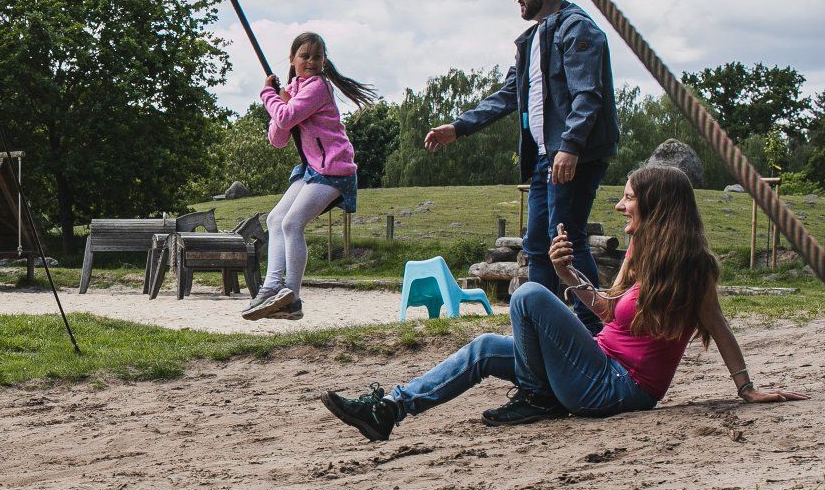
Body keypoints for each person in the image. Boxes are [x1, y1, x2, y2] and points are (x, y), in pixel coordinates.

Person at [318, 165, 805, 441]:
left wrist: (747, 389)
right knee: (487, 345)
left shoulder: (694, 268)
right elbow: (611, 310)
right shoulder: (642, 251)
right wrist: (570, 274)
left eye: (630, 198)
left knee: (529, 292)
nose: (620, 206)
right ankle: (388, 411)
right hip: (598, 361)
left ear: (655, 205)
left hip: (619, 388)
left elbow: (719, 329)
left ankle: (536, 397)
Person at [423, 0, 617, 329]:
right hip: (547, 157)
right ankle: (538, 326)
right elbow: (509, 94)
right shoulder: (532, 40)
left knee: (567, 239)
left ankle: (595, 326)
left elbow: (587, 95)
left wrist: (571, 146)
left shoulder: (579, 31)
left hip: (574, 155)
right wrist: (458, 127)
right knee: (537, 244)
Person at [243, 32, 378, 321]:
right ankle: (271, 289)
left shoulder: (318, 87)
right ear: (292, 59)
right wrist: (281, 101)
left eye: (317, 56)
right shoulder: (294, 90)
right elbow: (279, 137)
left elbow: (287, 116)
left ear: (324, 61)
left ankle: (290, 295)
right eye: (305, 56)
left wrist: (269, 96)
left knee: (292, 223)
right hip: (312, 168)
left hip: (334, 169)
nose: (312, 61)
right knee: (275, 219)